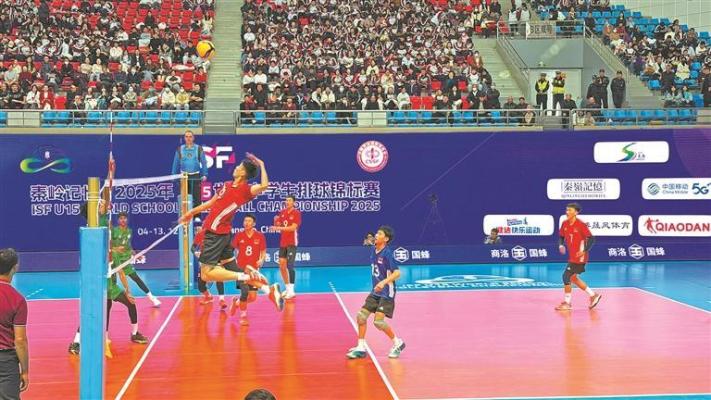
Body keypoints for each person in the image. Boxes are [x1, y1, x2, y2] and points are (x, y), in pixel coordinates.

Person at [178, 153, 270, 284]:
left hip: (215, 233)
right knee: (231, 266)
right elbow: (210, 203)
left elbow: (264, 185)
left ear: (243, 173)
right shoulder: (226, 185)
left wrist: (262, 164)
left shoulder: (246, 190)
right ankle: (267, 288)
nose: (236, 167)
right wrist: (190, 213)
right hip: (222, 233)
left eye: (239, 166)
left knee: (205, 274)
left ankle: (246, 276)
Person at [346, 226, 406, 360]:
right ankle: (361, 348)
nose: (376, 235)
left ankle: (398, 343)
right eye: (377, 233)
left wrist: (383, 282)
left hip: (386, 293)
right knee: (361, 317)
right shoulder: (374, 249)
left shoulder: (387, 254)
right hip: (375, 292)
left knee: (378, 322)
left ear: (386, 239)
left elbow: (397, 273)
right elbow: (370, 242)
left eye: (380, 234)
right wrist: (368, 241)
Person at [230, 214, 284, 326]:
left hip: (254, 269)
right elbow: (232, 249)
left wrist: (262, 259)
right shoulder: (239, 235)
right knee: (244, 292)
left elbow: (263, 251)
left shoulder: (260, 236)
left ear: (254, 223)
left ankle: (237, 302)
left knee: (252, 298)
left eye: (249, 221)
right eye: (245, 221)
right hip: (240, 268)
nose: (246, 223)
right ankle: (243, 316)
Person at [555, 203, 602, 311]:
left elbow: (591, 239)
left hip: (580, 257)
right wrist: (561, 245)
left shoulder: (581, 225)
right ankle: (593, 295)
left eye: (570, 210)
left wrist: (584, 251)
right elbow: (561, 236)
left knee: (566, 276)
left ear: (576, 212)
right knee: (573, 278)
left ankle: (567, 303)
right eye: (567, 210)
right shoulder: (565, 223)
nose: (567, 212)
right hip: (572, 256)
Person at [111, 212, 161, 307]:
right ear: (118, 220)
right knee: (111, 281)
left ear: (127, 220)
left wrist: (136, 255)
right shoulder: (114, 231)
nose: (123, 220)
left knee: (136, 278)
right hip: (115, 259)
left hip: (125, 261)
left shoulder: (129, 231)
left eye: (124, 218)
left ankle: (152, 297)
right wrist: (116, 249)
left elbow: (128, 246)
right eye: (121, 218)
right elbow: (109, 245)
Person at [0, 248, 29, 398]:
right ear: (15, 267)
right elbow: (20, 340)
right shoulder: (17, 299)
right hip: (6, 362)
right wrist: (25, 371)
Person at [272, 195, 301, 300]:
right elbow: (279, 226)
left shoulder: (296, 213)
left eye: (289, 200)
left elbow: (293, 228)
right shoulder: (282, 212)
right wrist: (275, 221)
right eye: (286, 200)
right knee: (282, 265)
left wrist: (279, 227)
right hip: (283, 242)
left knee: (290, 266)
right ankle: (288, 289)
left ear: (294, 202)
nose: (287, 202)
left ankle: (292, 291)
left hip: (292, 242)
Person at [193, 219, 227, 309]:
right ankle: (208, 296)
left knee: (219, 278)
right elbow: (193, 247)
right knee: (201, 286)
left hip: (216, 260)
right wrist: (195, 252)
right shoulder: (200, 235)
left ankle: (222, 300)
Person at [171, 130, 208, 208]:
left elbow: (204, 162)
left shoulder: (199, 148)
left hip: (196, 177)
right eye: (186, 136)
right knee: (184, 199)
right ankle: (185, 215)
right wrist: (174, 175)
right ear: (184, 138)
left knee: (197, 199)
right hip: (184, 177)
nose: (188, 138)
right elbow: (175, 163)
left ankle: (197, 215)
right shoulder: (180, 149)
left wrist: (205, 174)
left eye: (190, 136)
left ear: (193, 138)